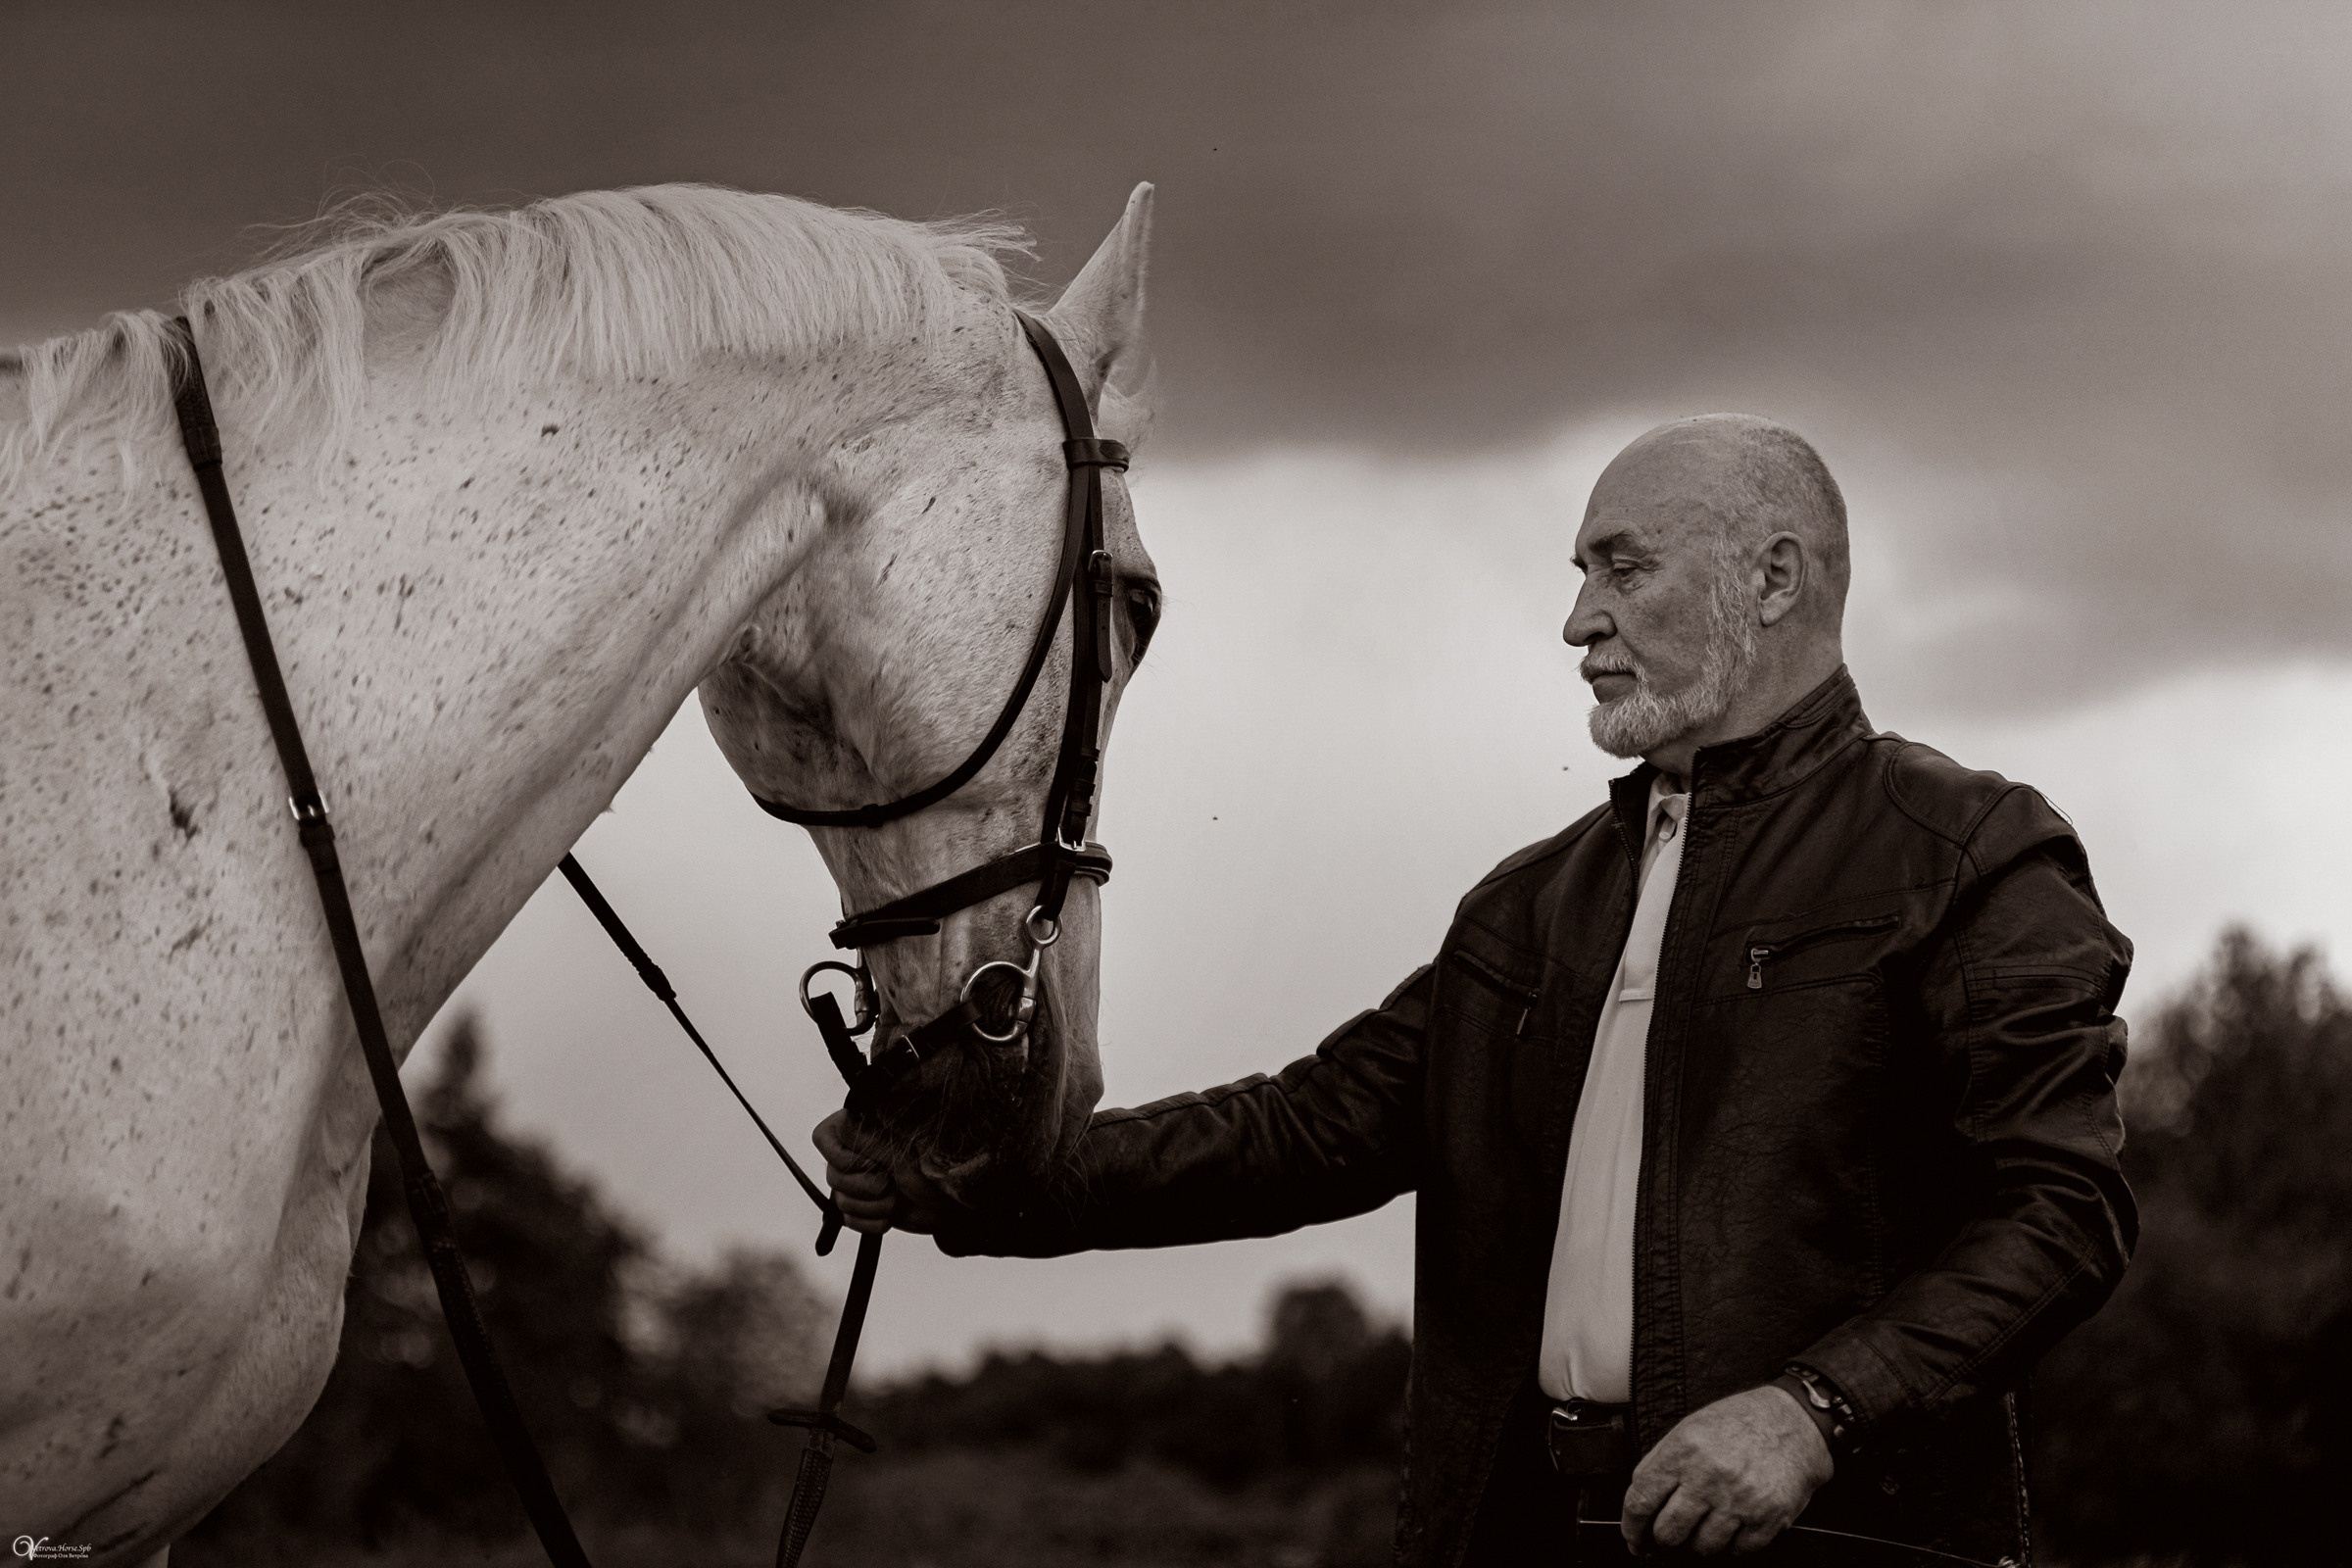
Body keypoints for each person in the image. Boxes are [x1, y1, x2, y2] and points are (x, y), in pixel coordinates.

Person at [818, 414, 2136, 1565]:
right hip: (1523, 1535)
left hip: (1843, 1544)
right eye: (1578, 576)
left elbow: (2062, 1210)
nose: (1579, 620)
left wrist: (1814, 1409)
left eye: (1624, 567)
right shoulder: (1534, 905)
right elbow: (1302, 1131)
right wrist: (968, 1179)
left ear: (1774, 577)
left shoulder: (1966, 850)